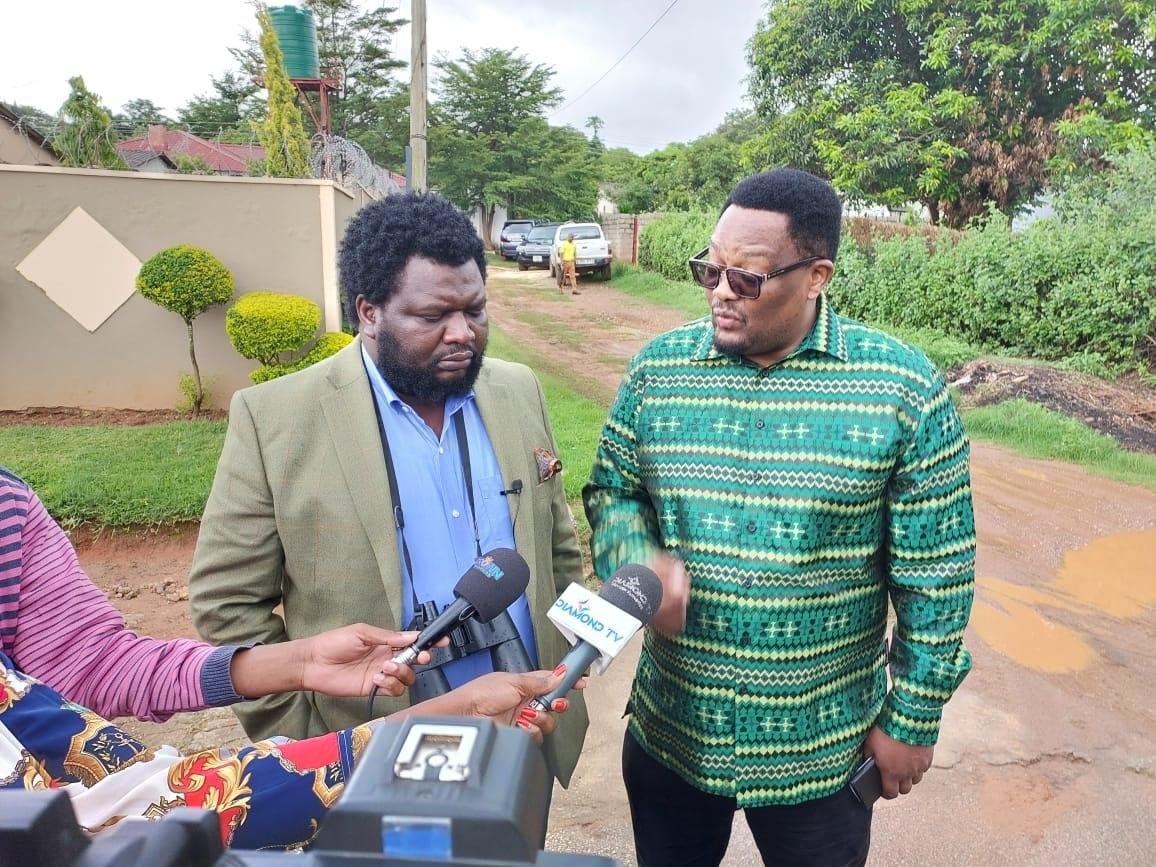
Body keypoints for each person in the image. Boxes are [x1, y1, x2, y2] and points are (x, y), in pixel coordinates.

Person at [583, 168, 976, 866]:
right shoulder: (657, 373)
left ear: (816, 275)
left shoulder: (901, 390)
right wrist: (634, 553)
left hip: (819, 752)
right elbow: (613, 491)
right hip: (675, 731)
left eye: (747, 278)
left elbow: (937, 575)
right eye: (710, 270)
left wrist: (913, 716)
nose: (720, 292)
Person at [189, 192, 589, 787]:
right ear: (368, 313)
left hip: (524, 729)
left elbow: (556, 547)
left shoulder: (517, 389)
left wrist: (567, 660)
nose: (463, 334)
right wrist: (312, 742)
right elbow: (227, 606)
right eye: (433, 317)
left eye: (475, 310)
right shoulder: (275, 421)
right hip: (377, 755)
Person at [0, 467, 570, 848]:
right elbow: (143, 808)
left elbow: (92, 667)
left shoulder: (9, 503)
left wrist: (298, 665)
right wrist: (419, 734)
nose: (461, 333)